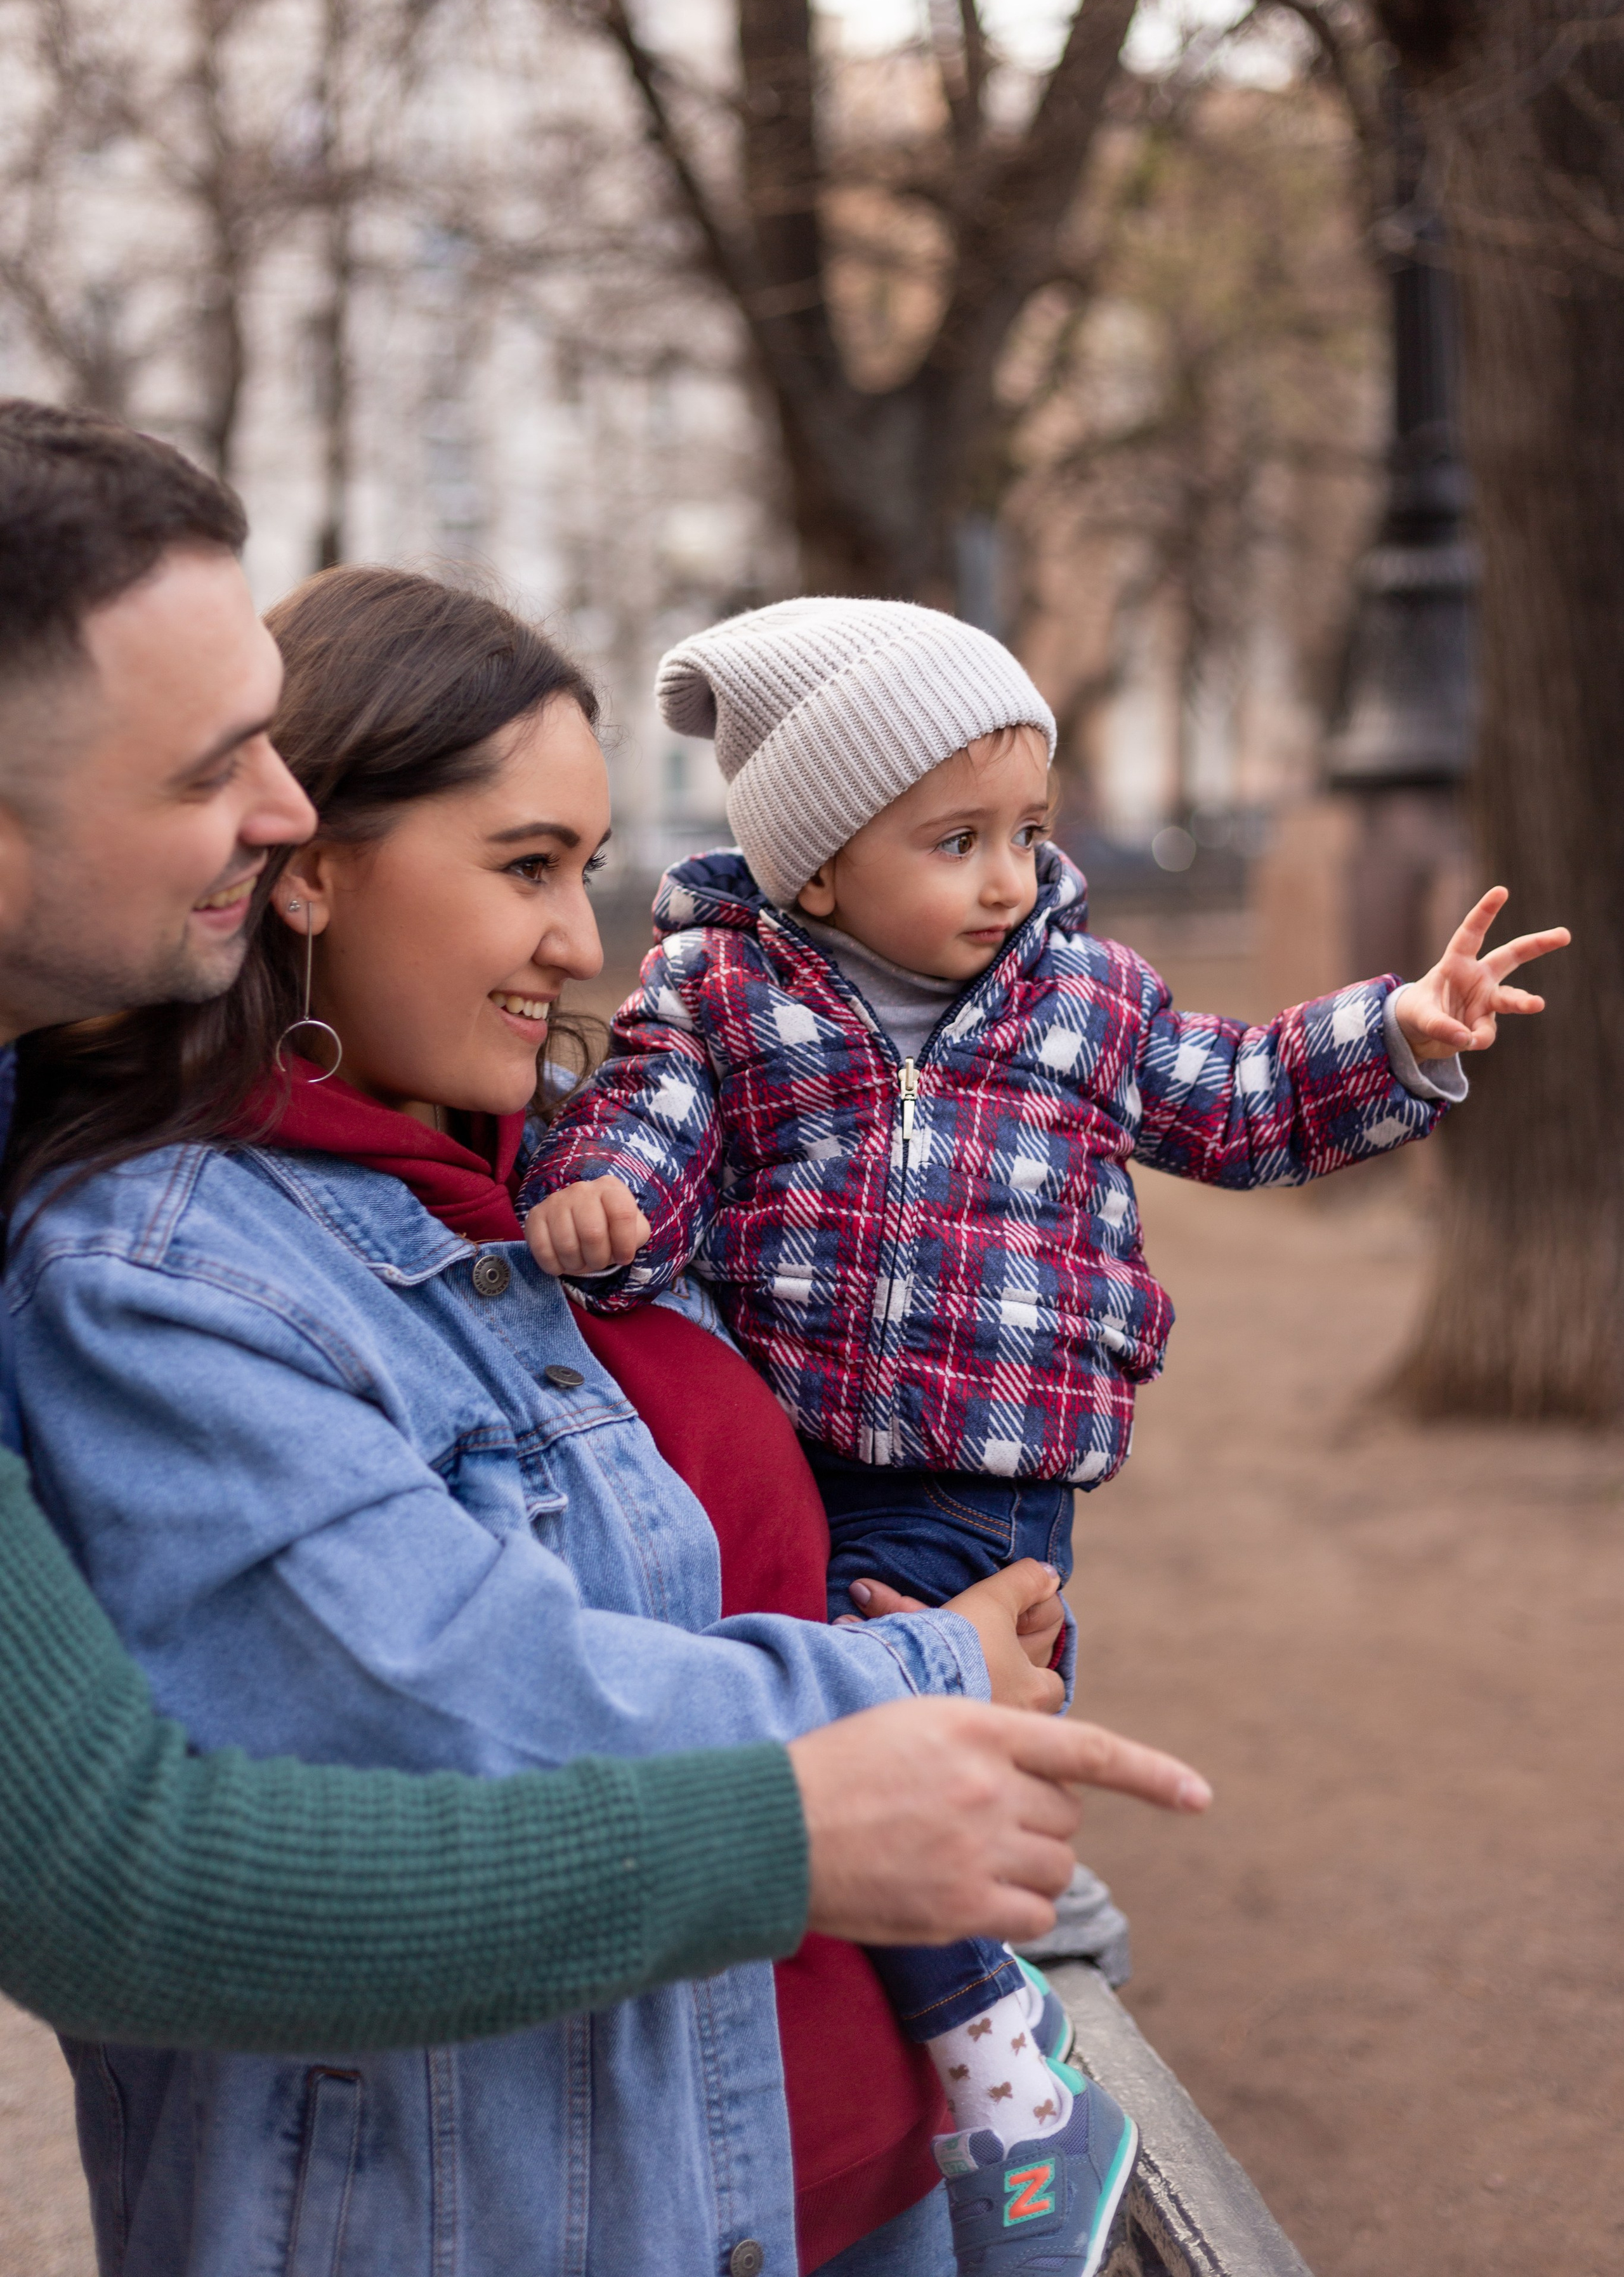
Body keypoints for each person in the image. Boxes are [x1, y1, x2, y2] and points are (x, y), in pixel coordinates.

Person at [4, 555, 1211, 2277]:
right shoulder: (166, 1276)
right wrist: (933, 1682)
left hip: (855, 2172)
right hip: (531, 2214)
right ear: (311, 872)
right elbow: (458, 1705)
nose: (584, 937)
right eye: (524, 869)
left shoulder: (595, 1170)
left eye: (583, 866)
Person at [520, 594, 1571, 2268]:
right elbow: (651, 1115)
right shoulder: (716, 989)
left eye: (1027, 831)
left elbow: (1237, 1096)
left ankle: (1013, 2085)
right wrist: (601, 1202)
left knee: (910, 1727)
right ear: (815, 863)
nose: (1008, 877)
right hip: (797, 1455)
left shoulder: (1084, 996)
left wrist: (1402, 1036)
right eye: (955, 841)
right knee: (825, 1739)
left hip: (984, 1479)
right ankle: (975, 2035)